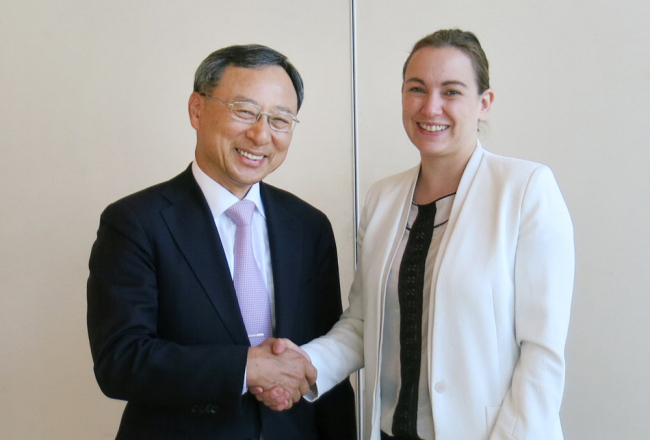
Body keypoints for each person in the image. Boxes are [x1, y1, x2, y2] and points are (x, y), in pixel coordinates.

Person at [256, 29, 575, 440]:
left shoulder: (525, 189)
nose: (431, 106)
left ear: (484, 103)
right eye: (417, 89)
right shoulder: (383, 198)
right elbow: (362, 322)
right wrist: (301, 363)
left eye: (452, 91)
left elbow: (542, 352)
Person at [86, 44, 356, 440]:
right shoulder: (135, 222)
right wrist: (246, 368)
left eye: (280, 119)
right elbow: (121, 360)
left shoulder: (308, 226)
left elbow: (323, 357)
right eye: (244, 111)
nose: (261, 134)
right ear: (197, 109)